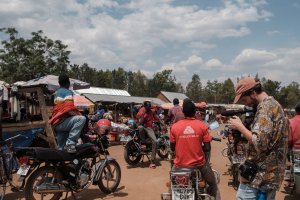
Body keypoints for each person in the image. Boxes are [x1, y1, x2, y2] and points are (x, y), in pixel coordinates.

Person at [228, 77, 289, 200]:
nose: (246, 103)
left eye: (245, 99)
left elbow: (260, 143)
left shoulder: (265, 108)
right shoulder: (275, 105)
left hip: (259, 177)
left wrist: (240, 126)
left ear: (253, 93)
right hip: (270, 174)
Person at [170, 98, 219, 199]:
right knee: (213, 183)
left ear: (183, 112)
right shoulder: (202, 126)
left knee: (172, 186)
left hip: (179, 165)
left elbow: (172, 147)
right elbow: (207, 147)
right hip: (199, 164)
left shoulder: (174, 127)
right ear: (194, 112)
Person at [48, 74, 86, 153]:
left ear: (59, 83)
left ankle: (60, 164)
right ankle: (71, 143)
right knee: (81, 119)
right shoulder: (68, 92)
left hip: (56, 124)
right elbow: (69, 109)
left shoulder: (55, 93)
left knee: (61, 149)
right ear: (68, 83)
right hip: (63, 122)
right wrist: (79, 115)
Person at [136, 100, 159, 169]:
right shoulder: (141, 110)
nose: (149, 108)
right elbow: (140, 123)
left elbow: (157, 118)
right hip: (143, 126)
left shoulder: (152, 111)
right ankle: (143, 142)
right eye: (148, 107)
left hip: (149, 128)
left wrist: (163, 123)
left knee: (155, 141)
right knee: (140, 127)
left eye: (150, 107)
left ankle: (152, 161)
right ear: (145, 106)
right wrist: (144, 113)